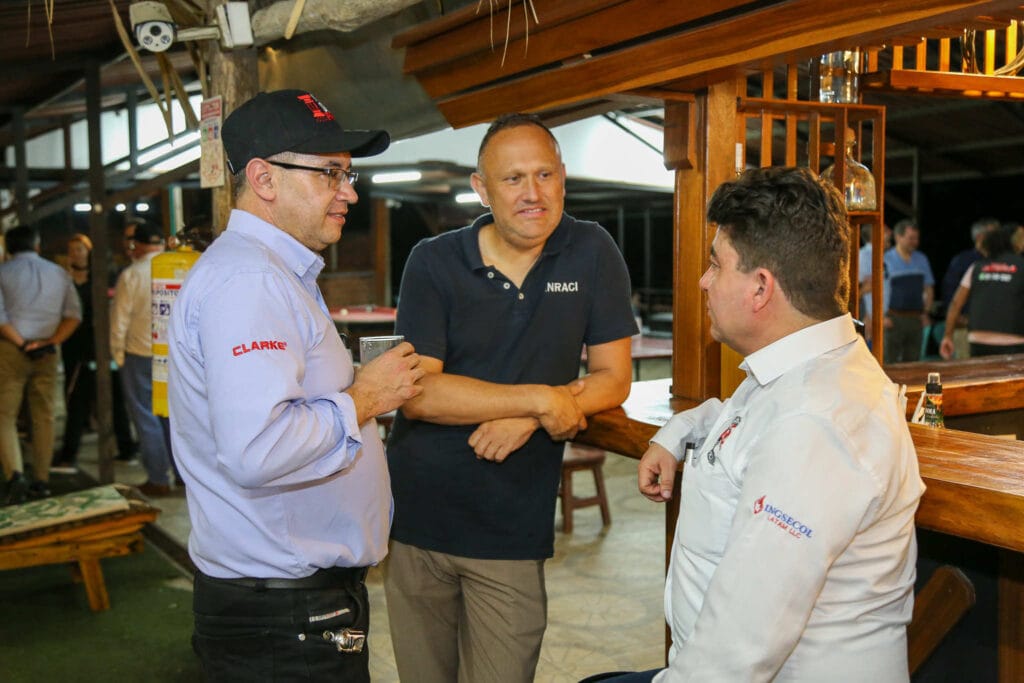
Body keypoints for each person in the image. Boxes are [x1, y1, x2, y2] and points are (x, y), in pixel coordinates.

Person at [590, 167, 925, 682]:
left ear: (761, 288)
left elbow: (739, 649)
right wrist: (679, 432)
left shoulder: (816, 423)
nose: (703, 281)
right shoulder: (796, 370)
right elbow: (739, 422)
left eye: (715, 265)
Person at [167, 89, 423, 683]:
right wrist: (364, 398)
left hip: (288, 602)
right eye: (331, 173)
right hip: (282, 610)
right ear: (263, 179)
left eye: (350, 173)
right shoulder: (250, 281)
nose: (350, 192)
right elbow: (259, 449)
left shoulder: (275, 272)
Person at [383, 113, 637, 683]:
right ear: (482, 188)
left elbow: (611, 377)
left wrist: (531, 413)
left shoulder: (590, 251)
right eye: (513, 179)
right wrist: (541, 400)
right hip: (418, 517)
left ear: (564, 177)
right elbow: (419, 393)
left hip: (511, 524)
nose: (533, 193)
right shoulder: (434, 259)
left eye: (545, 175)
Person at [0, 225, 81, 504]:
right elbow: (74, 315)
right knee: (44, 415)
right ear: (37, 246)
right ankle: (42, 480)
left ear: (9, 248)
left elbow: (0, 318)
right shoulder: (58, 273)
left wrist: (23, 344)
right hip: (48, 350)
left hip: (11, 350)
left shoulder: (3, 273)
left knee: (5, 416)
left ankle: (15, 475)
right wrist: (50, 342)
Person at [53, 233, 136, 469]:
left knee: (115, 398)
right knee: (75, 399)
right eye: (72, 250)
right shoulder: (64, 279)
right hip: (74, 348)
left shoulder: (105, 277)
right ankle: (70, 454)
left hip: (102, 346)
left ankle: (126, 448)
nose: (76, 254)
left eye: (80, 249)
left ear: (89, 251)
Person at [110, 222, 175, 496]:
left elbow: (119, 320)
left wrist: (117, 355)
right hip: (174, 355)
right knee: (174, 417)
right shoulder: (177, 268)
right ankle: (184, 476)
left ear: (137, 244)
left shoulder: (132, 274)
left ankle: (158, 478)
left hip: (139, 355)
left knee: (146, 416)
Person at [940, 226, 1024, 358]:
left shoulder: (976, 267)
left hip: (978, 339)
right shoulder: (1021, 266)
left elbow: (956, 303)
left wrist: (947, 336)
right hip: (1013, 340)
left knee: (982, 378)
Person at [940, 217, 999, 359]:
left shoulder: (1001, 261)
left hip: (995, 329)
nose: (999, 238)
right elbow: (950, 293)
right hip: (966, 328)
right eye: (995, 234)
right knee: (967, 370)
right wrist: (956, 320)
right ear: (980, 237)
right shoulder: (963, 261)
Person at [883, 218, 935, 363]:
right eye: (911, 238)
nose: (915, 242)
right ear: (898, 237)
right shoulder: (886, 259)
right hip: (893, 318)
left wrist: (926, 312)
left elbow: (929, 288)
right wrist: (881, 316)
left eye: (916, 238)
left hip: (915, 318)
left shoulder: (921, 259)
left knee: (913, 361)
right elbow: (880, 291)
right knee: (889, 360)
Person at [857, 222, 891, 345]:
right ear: (875, 235)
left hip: (881, 319)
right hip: (871, 321)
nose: (890, 233)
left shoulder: (882, 256)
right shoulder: (864, 256)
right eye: (886, 231)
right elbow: (863, 289)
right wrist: (870, 317)